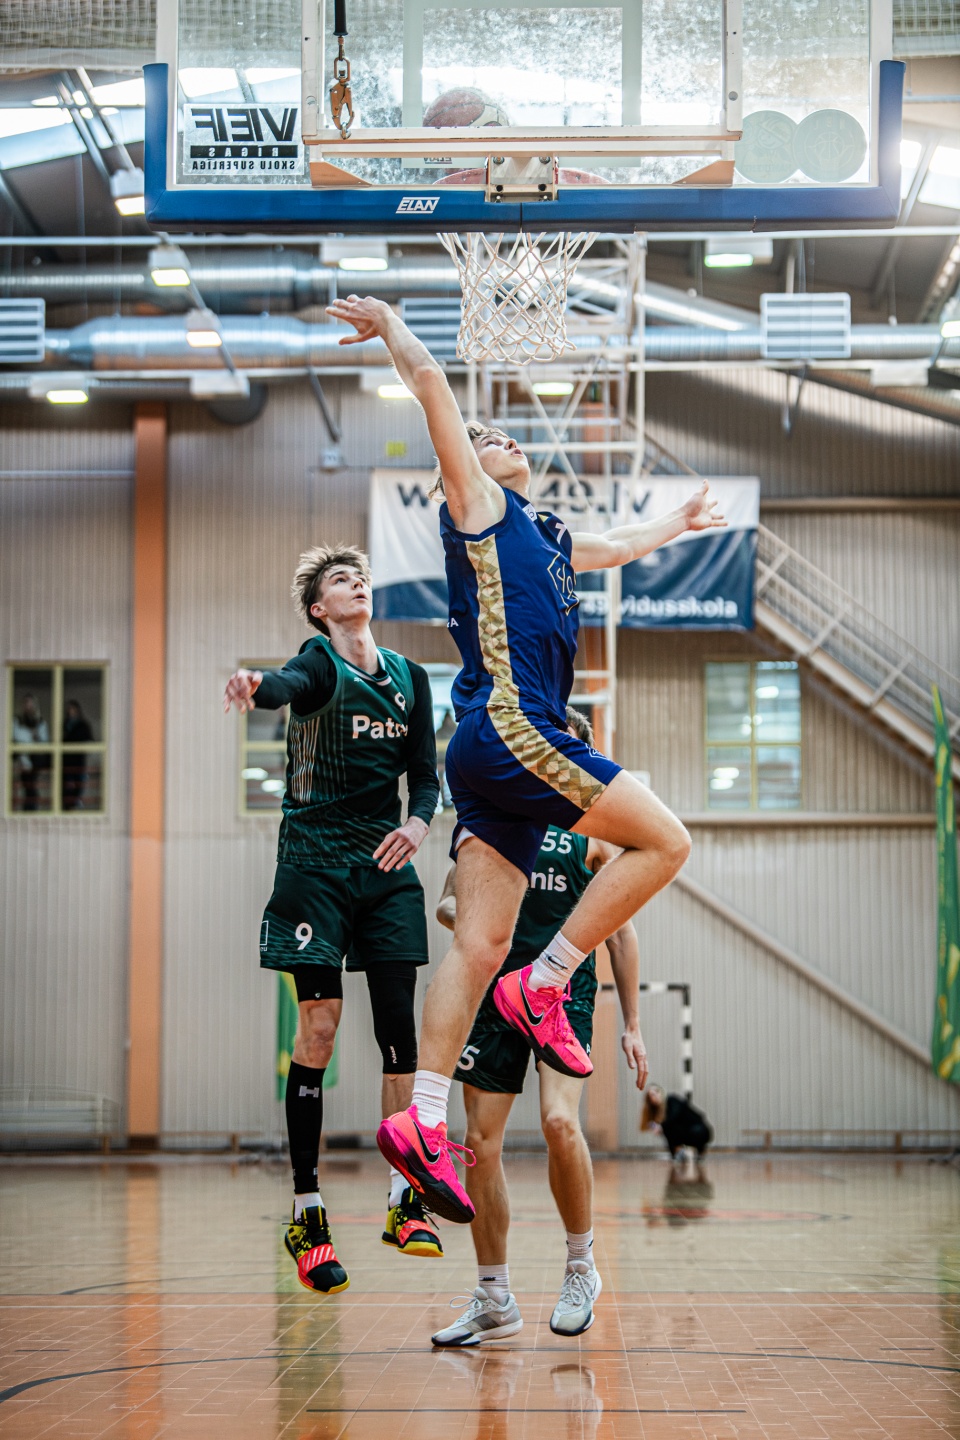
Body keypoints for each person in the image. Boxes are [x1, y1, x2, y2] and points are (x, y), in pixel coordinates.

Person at [327, 294, 725, 1225]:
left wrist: (677, 521)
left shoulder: (543, 534)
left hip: (484, 751)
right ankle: (549, 983)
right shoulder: (476, 504)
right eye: (481, 436)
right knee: (666, 842)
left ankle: (422, 1119)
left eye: (499, 432)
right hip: (516, 726)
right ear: (460, 468)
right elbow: (432, 381)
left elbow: (614, 546)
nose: (497, 435)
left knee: (480, 944)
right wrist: (393, 328)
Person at [223, 543, 442, 1296]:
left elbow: (427, 776)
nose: (357, 584)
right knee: (319, 1029)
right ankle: (307, 1213)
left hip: (385, 870)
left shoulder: (411, 677)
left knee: (399, 1036)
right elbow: (284, 685)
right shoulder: (318, 662)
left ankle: (403, 1200)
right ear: (320, 608)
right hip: (314, 869)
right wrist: (257, 685)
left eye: (361, 576)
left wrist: (418, 824)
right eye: (341, 580)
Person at [430, 706, 649, 1347]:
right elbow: (450, 901)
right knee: (479, 1140)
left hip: (562, 992)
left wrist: (633, 1023)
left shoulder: (596, 835)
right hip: (494, 993)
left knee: (558, 1121)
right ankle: (493, 1297)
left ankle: (581, 1267)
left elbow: (622, 934)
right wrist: (474, 916)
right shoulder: (494, 822)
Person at [641, 1085, 713, 1161]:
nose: (654, 1097)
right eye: (651, 1096)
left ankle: (683, 1151)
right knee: (667, 1127)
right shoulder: (658, 1111)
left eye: (656, 1093)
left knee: (669, 1126)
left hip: (700, 1131)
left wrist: (661, 1127)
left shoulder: (671, 1100)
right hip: (689, 1132)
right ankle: (678, 1152)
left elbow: (675, 1116)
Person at [12, 693, 50, 812]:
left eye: (30, 703)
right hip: (20, 755)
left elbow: (44, 743)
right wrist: (29, 736)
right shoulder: (17, 720)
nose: (28, 706)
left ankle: (30, 807)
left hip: (36, 757)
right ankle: (29, 806)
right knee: (27, 781)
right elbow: (16, 737)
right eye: (25, 703)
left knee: (30, 781)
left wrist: (35, 737)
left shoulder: (40, 722)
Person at [62, 699, 93, 811]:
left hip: (78, 760)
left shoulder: (83, 725)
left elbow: (89, 740)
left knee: (78, 783)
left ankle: (75, 804)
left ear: (77, 710)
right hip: (66, 761)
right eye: (69, 709)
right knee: (66, 784)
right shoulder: (64, 725)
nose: (70, 711)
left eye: (72, 709)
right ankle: (66, 806)